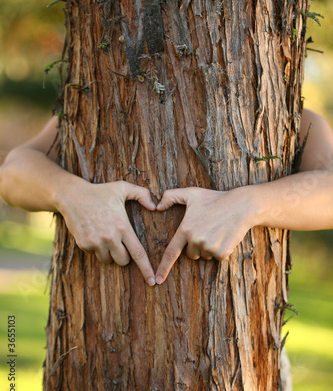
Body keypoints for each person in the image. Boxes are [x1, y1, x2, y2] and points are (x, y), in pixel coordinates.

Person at [0, 108, 332, 288]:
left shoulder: (293, 119)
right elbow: (12, 172)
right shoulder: (87, 107)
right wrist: (70, 194)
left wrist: (248, 204)